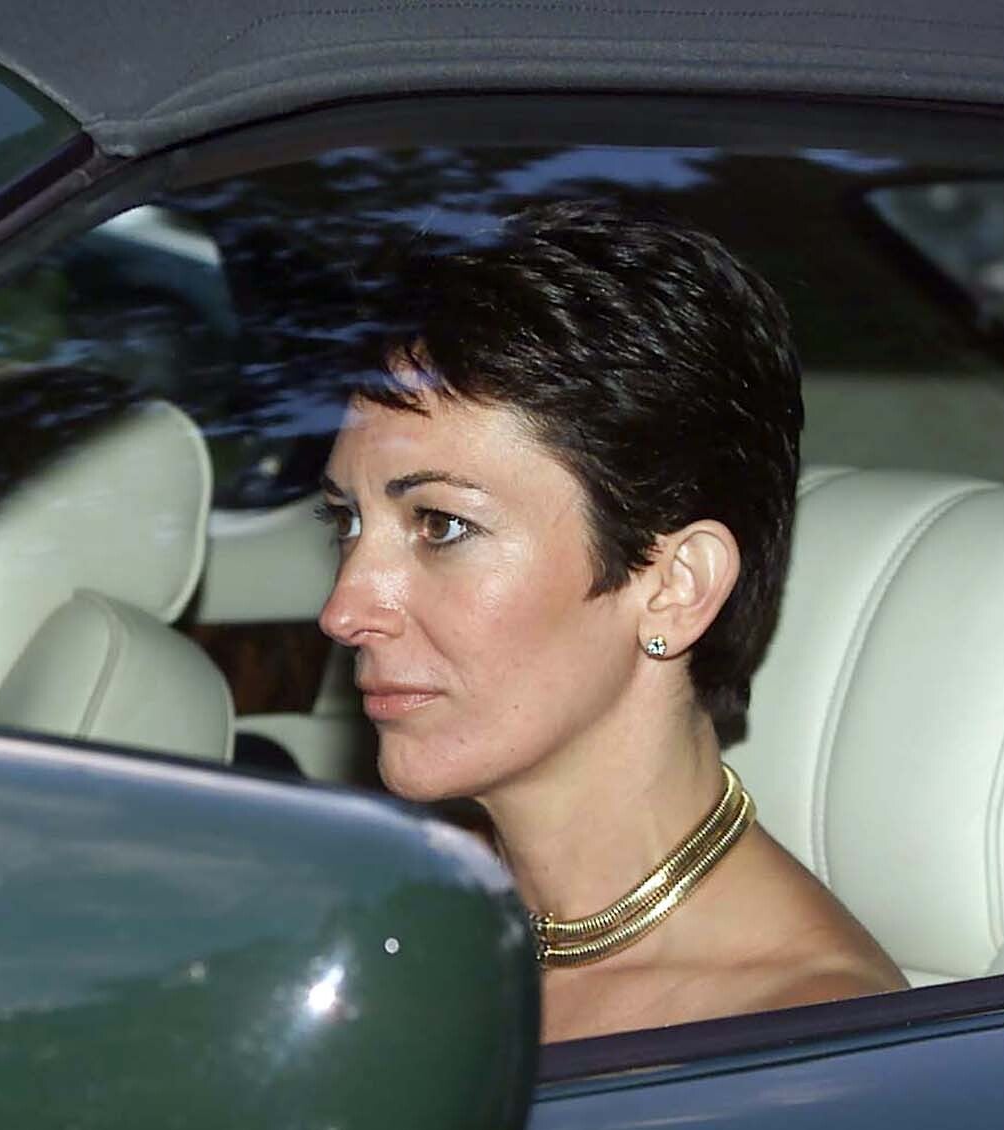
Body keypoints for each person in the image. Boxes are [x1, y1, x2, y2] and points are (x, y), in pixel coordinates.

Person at [315, 201, 906, 1042]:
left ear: (674, 587)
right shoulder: (391, 919)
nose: (344, 609)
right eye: (345, 522)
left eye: (442, 526)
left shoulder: (793, 1050)